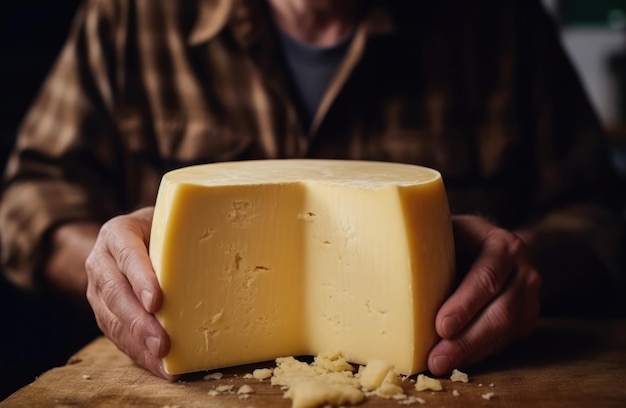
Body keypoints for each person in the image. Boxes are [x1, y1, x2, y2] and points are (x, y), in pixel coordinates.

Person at [1, 0, 624, 382]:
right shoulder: (130, 15)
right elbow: (27, 198)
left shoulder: (502, 24)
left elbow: (602, 214)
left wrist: (524, 261)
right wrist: (107, 260)